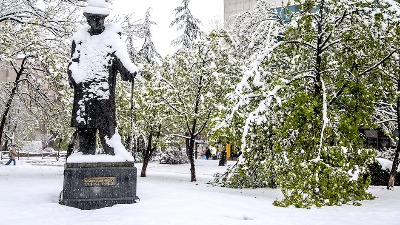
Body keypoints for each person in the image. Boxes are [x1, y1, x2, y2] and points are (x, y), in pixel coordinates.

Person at [68, 0, 138, 155]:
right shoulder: (79, 39)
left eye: (101, 18)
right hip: (84, 96)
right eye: (94, 18)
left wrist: (129, 71)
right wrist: (76, 77)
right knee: (85, 136)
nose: (98, 21)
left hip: (103, 96)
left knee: (109, 136)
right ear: (88, 19)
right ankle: (84, 158)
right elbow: (73, 64)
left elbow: (122, 60)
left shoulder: (112, 39)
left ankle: (115, 158)